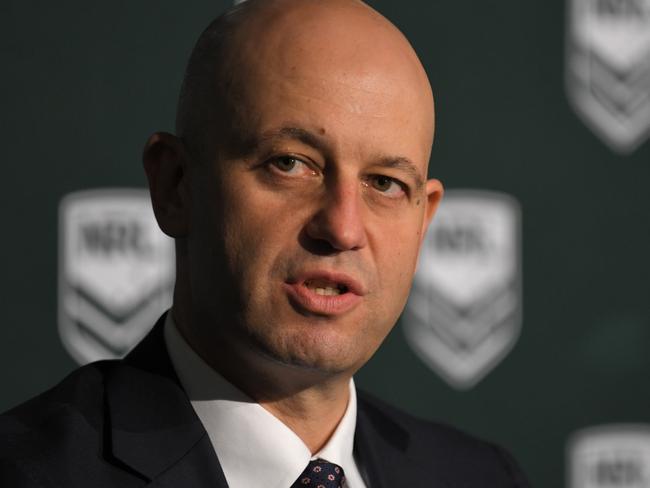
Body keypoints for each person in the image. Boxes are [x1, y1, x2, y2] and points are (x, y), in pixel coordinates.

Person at [0, 0, 530, 486]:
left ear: (423, 222)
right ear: (175, 186)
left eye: (385, 183)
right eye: (291, 164)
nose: (343, 228)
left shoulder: (482, 476)